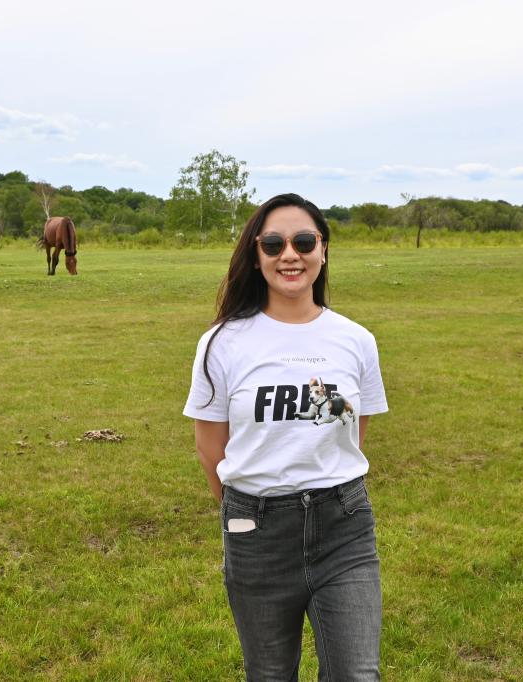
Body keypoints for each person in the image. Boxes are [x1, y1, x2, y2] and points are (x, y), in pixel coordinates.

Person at [183, 193, 388, 680]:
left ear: (324, 249)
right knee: (271, 674)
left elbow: (352, 436)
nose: (289, 255)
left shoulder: (356, 340)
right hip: (256, 533)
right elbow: (210, 449)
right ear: (256, 255)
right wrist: (249, 514)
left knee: (357, 675)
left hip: (344, 527)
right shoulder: (221, 343)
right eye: (273, 244)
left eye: (304, 242)